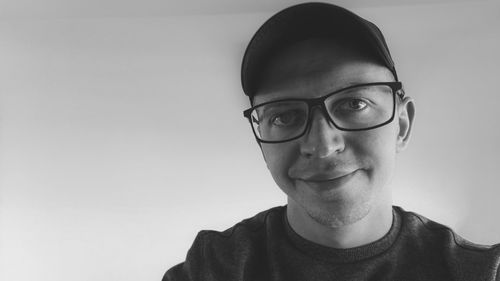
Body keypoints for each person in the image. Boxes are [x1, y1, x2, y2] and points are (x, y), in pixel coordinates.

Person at [163, 3, 500, 280]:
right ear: (261, 144)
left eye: (354, 104)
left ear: (401, 124)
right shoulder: (214, 267)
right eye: (284, 116)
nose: (322, 145)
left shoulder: (476, 272)